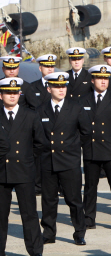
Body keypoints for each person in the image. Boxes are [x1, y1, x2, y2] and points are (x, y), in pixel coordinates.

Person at [37, 72, 88, 246]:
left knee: (74, 200)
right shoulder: (41, 109)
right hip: (48, 160)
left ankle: (79, 232)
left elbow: (86, 132)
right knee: (49, 200)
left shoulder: (76, 107)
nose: (61, 89)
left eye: (63, 86)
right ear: (49, 88)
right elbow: (37, 135)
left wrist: (73, 148)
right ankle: (49, 233)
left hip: (69, 160)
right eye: (57, 87)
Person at [79, 65, 111, 231]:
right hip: (91, 149)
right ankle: (89, 218)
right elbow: (79, 123)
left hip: (110, 149)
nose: (103, 81)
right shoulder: (84, 99)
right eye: (100, 78)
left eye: (106, 78)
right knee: (90, 187)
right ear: (92, 80)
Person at [0, 77, 45, 256]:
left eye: (15, 93)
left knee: (29, 215)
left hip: (24, 170)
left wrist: (27, 159)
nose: (12, 96)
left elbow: (40, 143)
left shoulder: (30, 115)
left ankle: (35, 252)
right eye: (8, 93)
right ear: (0, 95)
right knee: (1, 217)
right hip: (1, 172)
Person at [25, 53, 57, 196]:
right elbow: (31, 107)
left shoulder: (59, 85)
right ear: (40, 68)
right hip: (39, 127)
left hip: (56, 126)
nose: (50, 69)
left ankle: (59, 186)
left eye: (52, 66)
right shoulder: (33, 87)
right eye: (46, 66)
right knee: (38, 158)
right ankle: (38, 185)